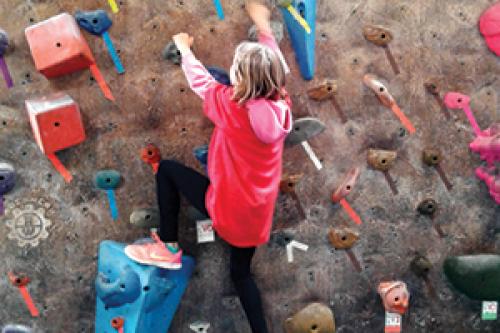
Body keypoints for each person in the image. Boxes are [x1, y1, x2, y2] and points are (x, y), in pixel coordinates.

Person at [124, 1, 292, 332]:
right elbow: (273, 63)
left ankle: (170, 246)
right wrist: (263, 27)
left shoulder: (232, 107)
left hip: (227, 207)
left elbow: (201, 82)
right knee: (241, 274)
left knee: (169, 171)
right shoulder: (282, 102)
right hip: (257, 214)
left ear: (240, 79)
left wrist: (184, 48)